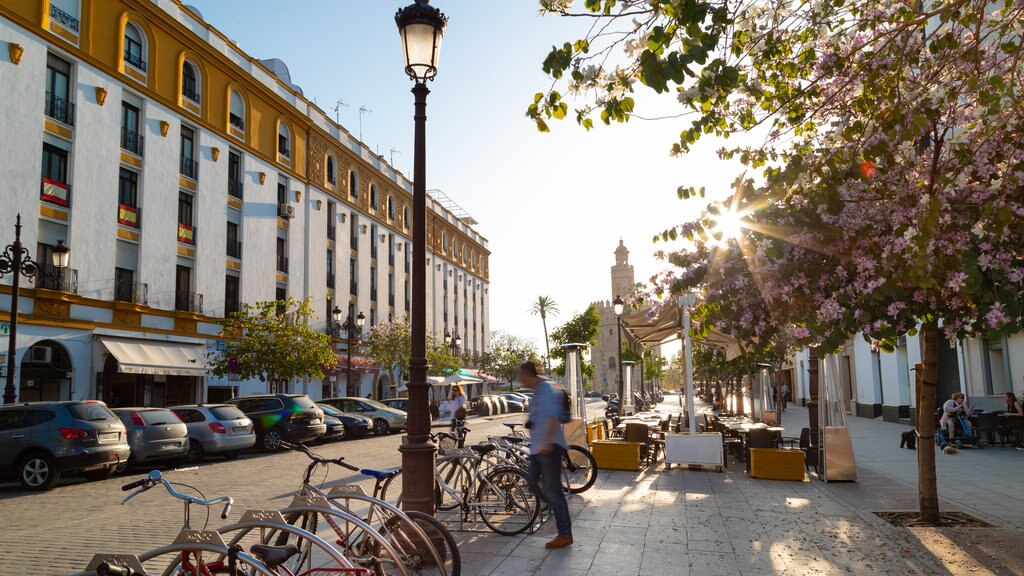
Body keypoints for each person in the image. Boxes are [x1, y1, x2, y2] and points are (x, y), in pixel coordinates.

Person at [519, 361, 572, 549]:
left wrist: (546, 444)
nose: (520, 379)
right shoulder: (538, 390)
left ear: (528, 374)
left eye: (521, 375)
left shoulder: (548, 389)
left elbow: (552, 417)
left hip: (548, 448)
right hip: (538, 448)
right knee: (532, 482)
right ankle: (556, 510)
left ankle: (564, 533)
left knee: (553, 491)